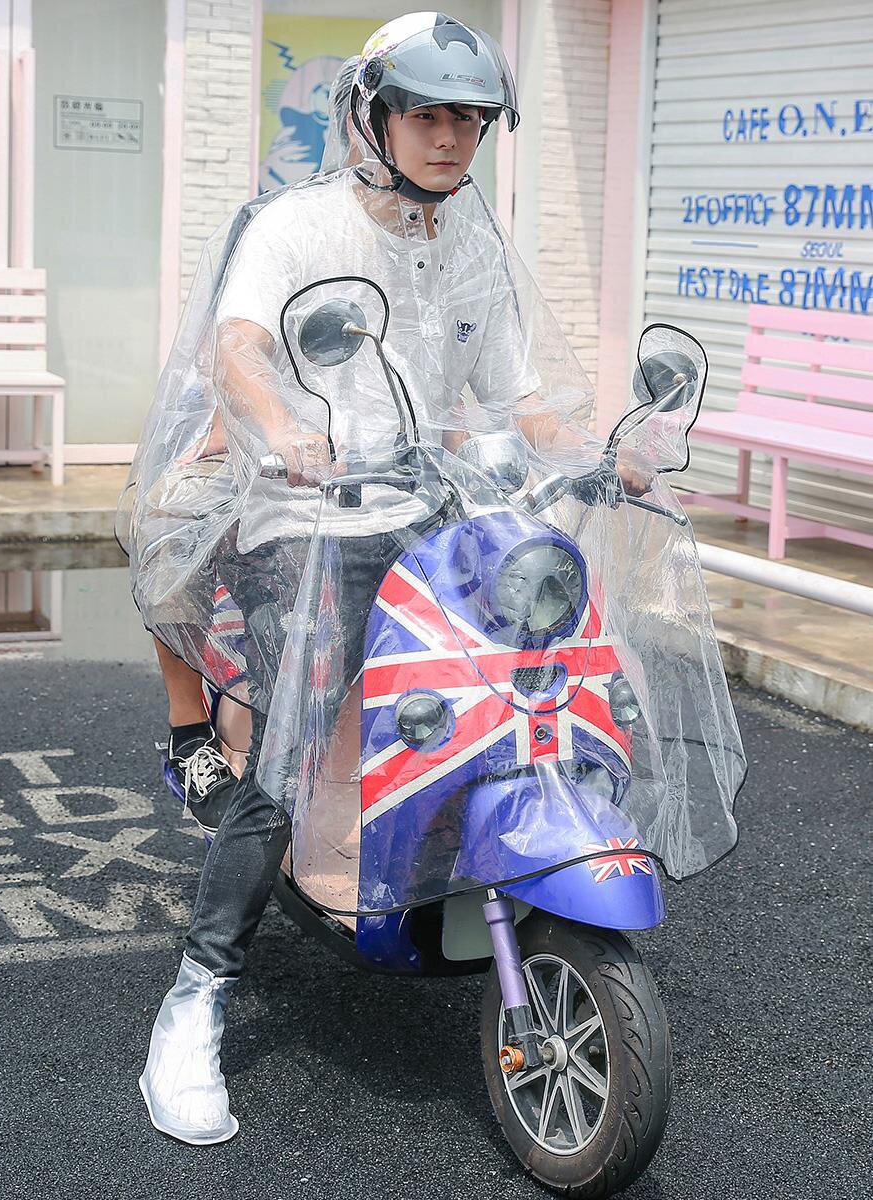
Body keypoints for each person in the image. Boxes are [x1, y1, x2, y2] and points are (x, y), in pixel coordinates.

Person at [136, 12, 641, 1144]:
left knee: (535, 683)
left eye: (468, 116)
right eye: (426, 111)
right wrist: (284, 426)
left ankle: (459, 866)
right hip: (303, 515)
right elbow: (242, 345)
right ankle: (198, 993)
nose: (451, 135)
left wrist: (601, 452)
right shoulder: (295, 224)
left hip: (432, 517)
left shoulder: (476, 243)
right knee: (297, 733)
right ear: (370, 113)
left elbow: (522, 399)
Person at [139, 56, 363, 841]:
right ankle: (188, 731)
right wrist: (231, 441)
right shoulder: (274, 228)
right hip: (269, 453)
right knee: (167, 533)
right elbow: (230, 353)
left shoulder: (404, 238)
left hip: (369, 472)